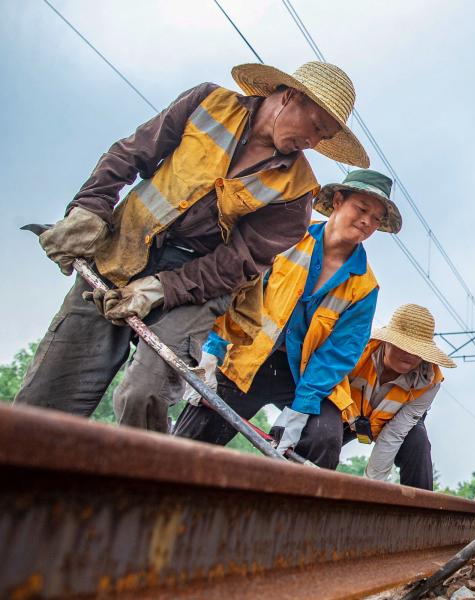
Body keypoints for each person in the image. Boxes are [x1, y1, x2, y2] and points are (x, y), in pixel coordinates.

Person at [17, 61, 367, 433]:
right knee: (52, 393)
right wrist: (89, 209)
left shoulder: (297, 193)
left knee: (145, 393)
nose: (313, 142)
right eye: (315, 127)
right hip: (123, 251)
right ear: (291, 96)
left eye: (322, 137)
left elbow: (237, 263)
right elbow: (132, 153)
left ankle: (135, 480)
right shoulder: (208, 103)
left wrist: (161, 288)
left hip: (197, 285)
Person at [173, 169, 401, 469]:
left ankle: (283, 509)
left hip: (304, 376)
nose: (367, 222)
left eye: (376, 219)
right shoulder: (289, 239)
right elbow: (238, 292)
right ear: (337, 201)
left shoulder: (365, 285)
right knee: (193, 434)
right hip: (248, 355)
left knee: (323, 438)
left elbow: (339, 353)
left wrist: (301, 409)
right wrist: (212, 352)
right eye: (362, 209)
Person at [330, 303, 456, 486]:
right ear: (387, 340)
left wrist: (373, 485)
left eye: (417, 350)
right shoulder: (358, 350)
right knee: (324, 432)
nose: (410, 355)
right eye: (403, 346)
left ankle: (417, 509)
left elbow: (395, 433)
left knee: (418, 443)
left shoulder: (429, 381)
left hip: (393, 422)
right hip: (345, 411)